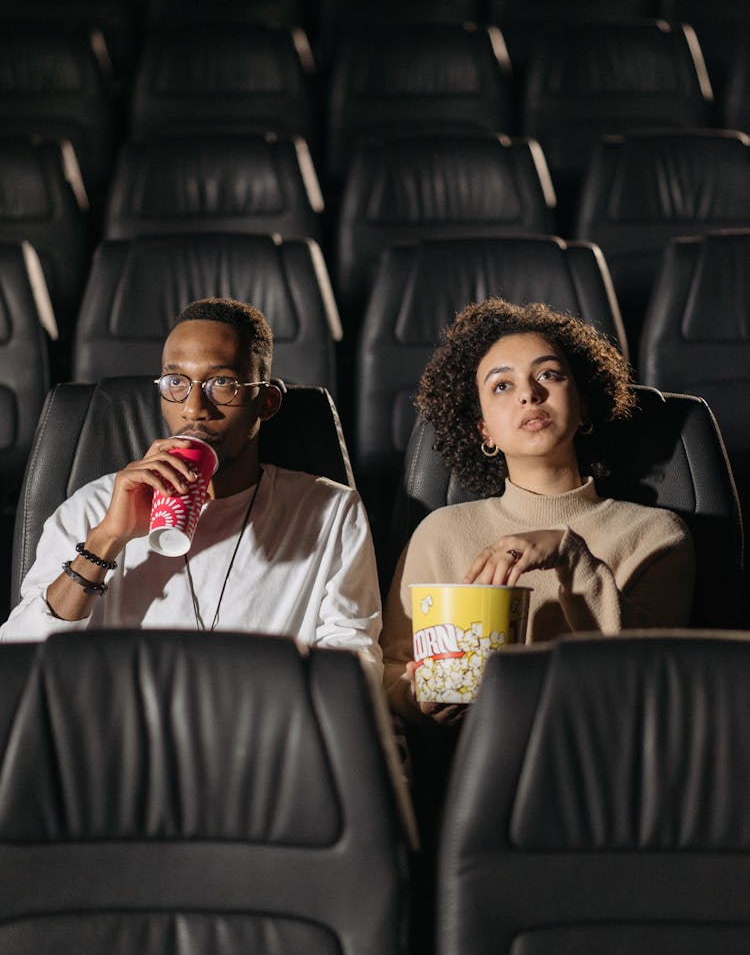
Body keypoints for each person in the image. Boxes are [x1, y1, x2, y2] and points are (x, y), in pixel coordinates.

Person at [1, 298, 383, 678]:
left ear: (266, 403)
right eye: (176, 382)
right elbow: (20, 661)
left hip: (264, 733)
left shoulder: (330, 510)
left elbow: (353, 665)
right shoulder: (92, 507)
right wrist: (106, 541)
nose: (194, 408)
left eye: (222, 383)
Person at [381, 297, 695, 723]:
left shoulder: (657, 534)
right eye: (502, 386)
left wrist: (570, 556)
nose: (529, 394)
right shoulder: (440, 532)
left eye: (548, 374)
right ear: (484, 431)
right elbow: (391, 672)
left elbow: (652, 681)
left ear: (583, 407)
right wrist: (417, 697)